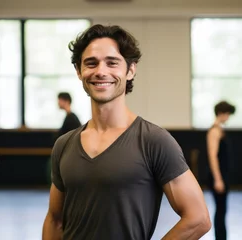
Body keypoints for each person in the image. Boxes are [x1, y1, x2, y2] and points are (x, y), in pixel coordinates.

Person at [42, 24, 211, 240]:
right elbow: (55, 219)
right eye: (91, 63)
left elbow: (198, 218)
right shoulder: (64, 145)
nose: (101, 71)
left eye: (112, 63)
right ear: (79, 71)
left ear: (130, 70)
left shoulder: (154, 141)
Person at [206, 100, 236, 240]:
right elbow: (212, 157)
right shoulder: (214, 131)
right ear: (222, 113)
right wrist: (218, 179)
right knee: (220, 210)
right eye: (228, 114)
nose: (228, 117)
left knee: (222, 210)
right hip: (218, 177)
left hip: (223, 175)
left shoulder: (219, 130)